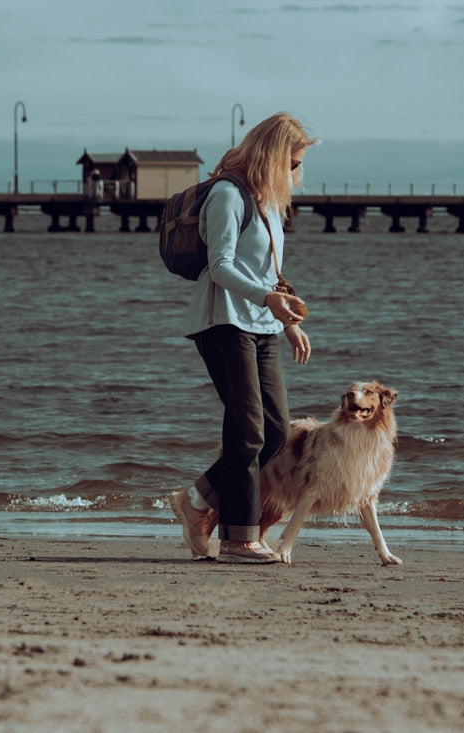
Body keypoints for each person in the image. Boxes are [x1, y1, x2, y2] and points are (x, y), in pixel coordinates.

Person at [170, 112, 316, 564]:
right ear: (272, 156)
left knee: (274, 431)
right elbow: (222, 266)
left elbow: (266, 271)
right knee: (248, 430)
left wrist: (286, 318)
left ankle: (196, 501)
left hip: (264, 324)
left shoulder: (270, 201)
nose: (296, 173)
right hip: (223, 323)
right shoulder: (228, 195)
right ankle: (238, 539)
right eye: (291, 163)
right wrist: (267, 300)